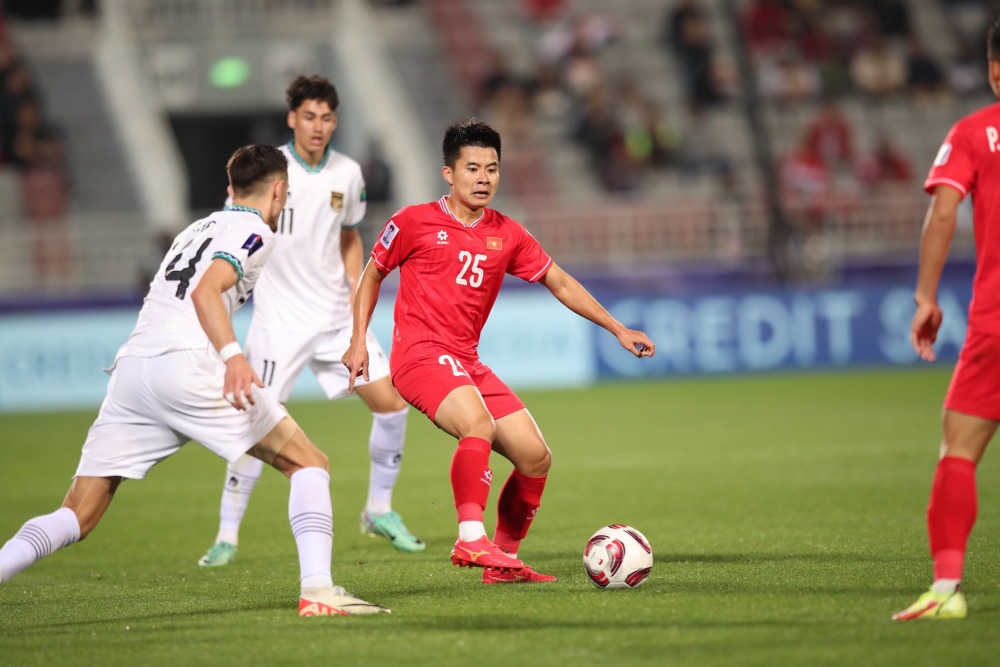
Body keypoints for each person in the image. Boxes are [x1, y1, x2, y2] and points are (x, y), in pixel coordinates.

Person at [0, 144, 388, 617]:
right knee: (309, 463)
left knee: (77, 515)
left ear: (230, 190)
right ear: (281, 190)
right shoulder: (254, 231)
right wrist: (233, 357)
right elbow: (207, 290)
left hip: (133, 370)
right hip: (188, 366)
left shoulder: (195, 228)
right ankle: (319, 592)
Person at [341, 119, 656, 584]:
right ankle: (471, 537)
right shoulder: (412, 221)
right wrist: (357, 340)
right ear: (448, 173)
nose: (484, 178)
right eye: (472, 168)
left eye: (492, 168)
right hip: (420, 356)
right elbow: (371, 276)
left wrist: (616, 328)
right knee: (478, 425)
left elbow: (560, 281)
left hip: (466, 361)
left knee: (535, 457)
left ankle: (503, 563)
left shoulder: (507, 233)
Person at [196, 76, 423, 569]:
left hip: (335, 317)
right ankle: (227, 536)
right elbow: (237, 225)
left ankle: (379, 510)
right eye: (309, 116)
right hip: (280, 322)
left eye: (326, 118)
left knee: (392, 404)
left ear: (335, 122)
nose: (318, 126)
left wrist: (354, 287)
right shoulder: (269, 172)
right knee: (255, 423)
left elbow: (349, 235)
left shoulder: (348, 173)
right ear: (292, 118)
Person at [892, 16, 1000, 621]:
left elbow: (942, 215)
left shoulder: (974, 133)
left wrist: (926, 296)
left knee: (958, 451)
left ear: (993, 69)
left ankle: (946, 591)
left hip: (996, 323)